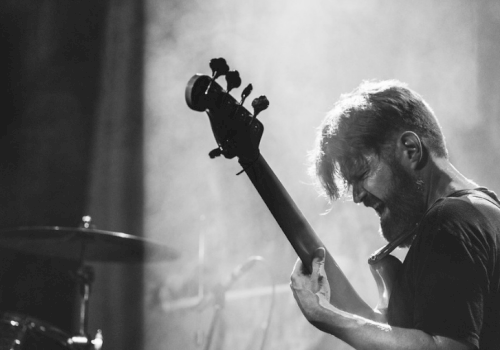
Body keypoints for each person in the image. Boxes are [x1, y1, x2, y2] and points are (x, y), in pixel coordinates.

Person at [290, 80, 500, 350]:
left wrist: (326, 317)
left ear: (410, 150)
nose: (356, 196)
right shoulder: (484, 210)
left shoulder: (449, 221)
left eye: (362, 175)